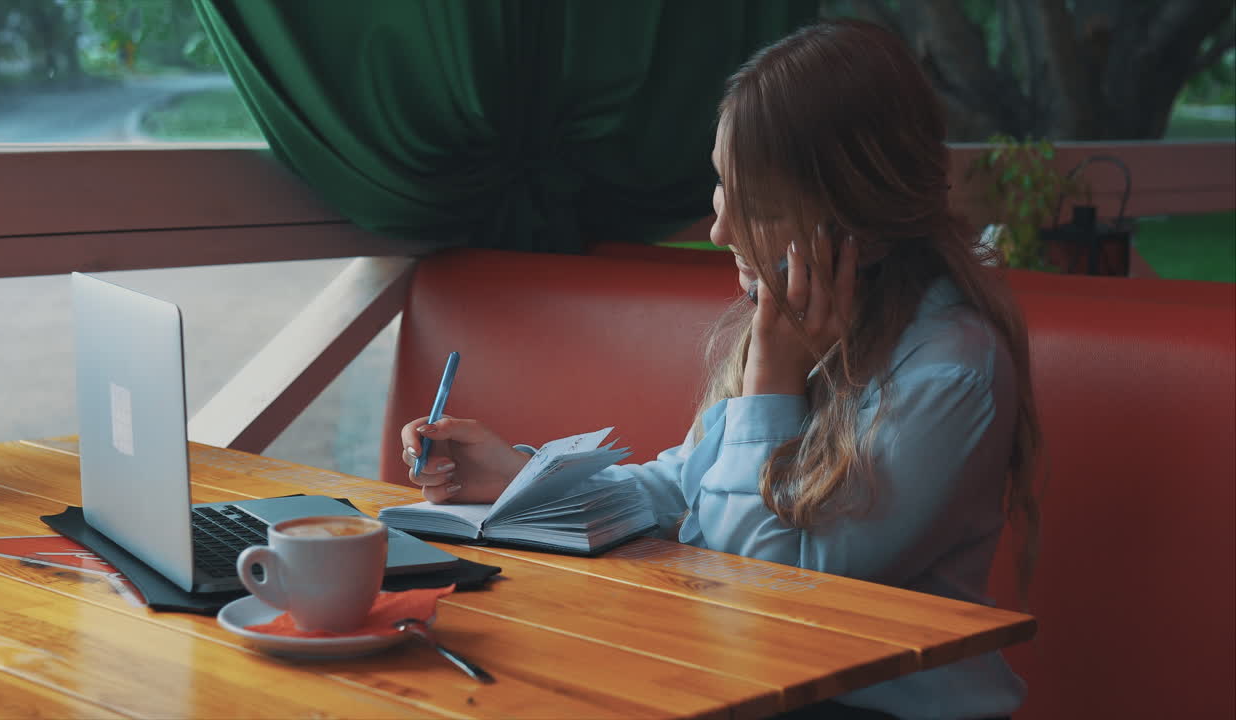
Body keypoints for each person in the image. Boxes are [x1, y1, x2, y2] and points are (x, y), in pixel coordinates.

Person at [397, 18, 1040, 720]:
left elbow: (761, 593)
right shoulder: (811, 325)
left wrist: (770, 378)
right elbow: (688, 488)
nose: (719, 231)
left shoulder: (948, 373)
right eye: (720, 187)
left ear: (860, 219)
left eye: (757, 205)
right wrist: (518, 479)